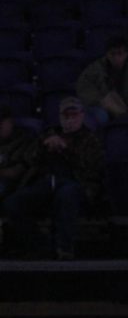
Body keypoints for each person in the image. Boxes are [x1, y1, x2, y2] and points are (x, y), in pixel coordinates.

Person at [2, 97, 103, 259]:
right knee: (13, 203)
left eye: (74, 115)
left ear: (82, 115)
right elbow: (29, 158)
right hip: (47, 182)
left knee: (66, 194)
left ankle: (64, 248)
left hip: (78, 184)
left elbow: (91, 168)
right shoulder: (49, 133)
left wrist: (66, 149)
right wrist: (45, 146)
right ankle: (41, 245)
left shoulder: (91, 139)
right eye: (66, 115)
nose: (70, 119)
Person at [75, 34, 128, 125]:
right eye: (112, 54)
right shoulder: (94, 69)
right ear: (107, 54)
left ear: (126, 53)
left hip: (126, 110)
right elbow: (83, 88)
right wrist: (102, 101)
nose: (116, 58)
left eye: (120, 53)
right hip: (101, 108)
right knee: (100, 115)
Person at [0, 107, 37, 201]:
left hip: (13, 186)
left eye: (2, 122)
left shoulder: (25, 141)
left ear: (10, 122)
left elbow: (17, 172)